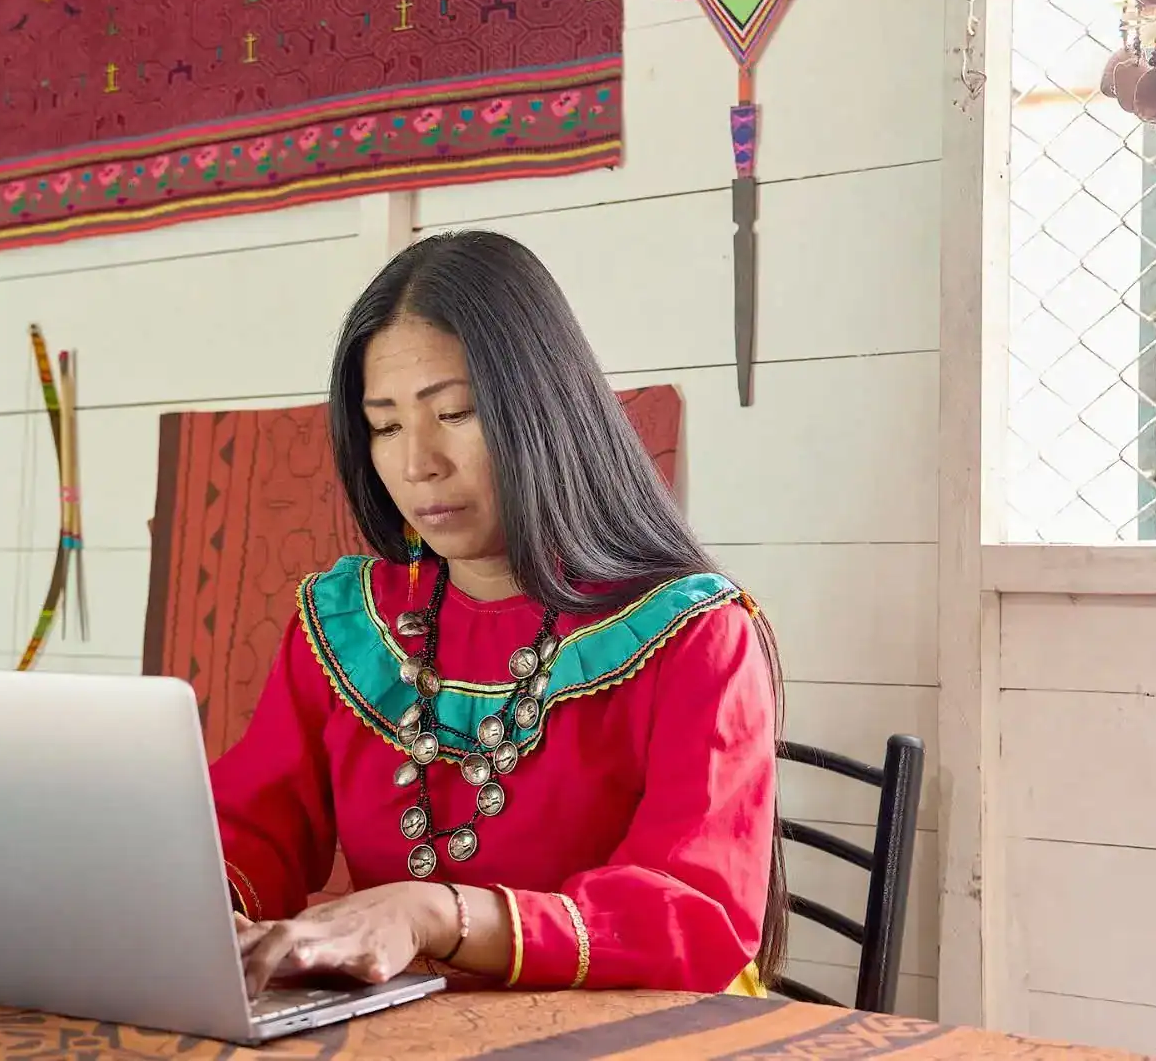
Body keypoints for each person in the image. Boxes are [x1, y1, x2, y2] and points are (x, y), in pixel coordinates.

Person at [212, 230, 786, 998]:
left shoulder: (695, 635)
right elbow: (250, 829)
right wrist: (202, 905)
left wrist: (438, 915)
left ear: (546, 411)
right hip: (408, 1032)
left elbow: (692, 916)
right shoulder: (348, 623)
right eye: (385, 426)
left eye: (454, 413)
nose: (418, 464)